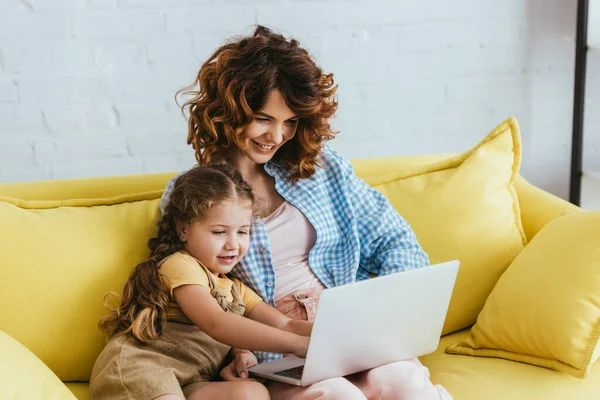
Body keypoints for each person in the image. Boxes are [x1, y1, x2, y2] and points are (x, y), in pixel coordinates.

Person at [161, 25, 452, 400]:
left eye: (291, 121)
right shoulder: (193, 193)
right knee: (335, 396)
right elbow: (189, 292)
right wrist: (237, 350)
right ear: (229, 111)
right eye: (264, 118)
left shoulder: (321, 168)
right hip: (275, 347)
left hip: (352, 326)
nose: (277, 136)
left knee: (403, 383)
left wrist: (387, 316)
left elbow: (394, 240)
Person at [89, 164, 313, 400]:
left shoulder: (236, 289)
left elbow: (285, 325)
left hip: (192, 380)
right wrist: (298, 345)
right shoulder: (180, 265)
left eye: (242, 232)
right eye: (219, 232)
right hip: (145, 370)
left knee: (252, 393)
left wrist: (329, 337)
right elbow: (217, 322)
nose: (233, 244)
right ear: (184, 229)